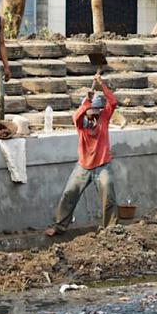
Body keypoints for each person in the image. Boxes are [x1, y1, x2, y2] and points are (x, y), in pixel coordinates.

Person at [46, 74, 118, 236]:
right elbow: (76, 116)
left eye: (97, 112)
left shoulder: (104, 118)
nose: (94, 115)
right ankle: (59, 226)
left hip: (102, 164)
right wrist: (87, 101)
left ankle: (111, 229)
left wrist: (102, 85)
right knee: (69, 194)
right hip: (84, 165)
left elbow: (113, 102)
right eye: (91, 112)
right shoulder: (81, 123)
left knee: (109, 196)